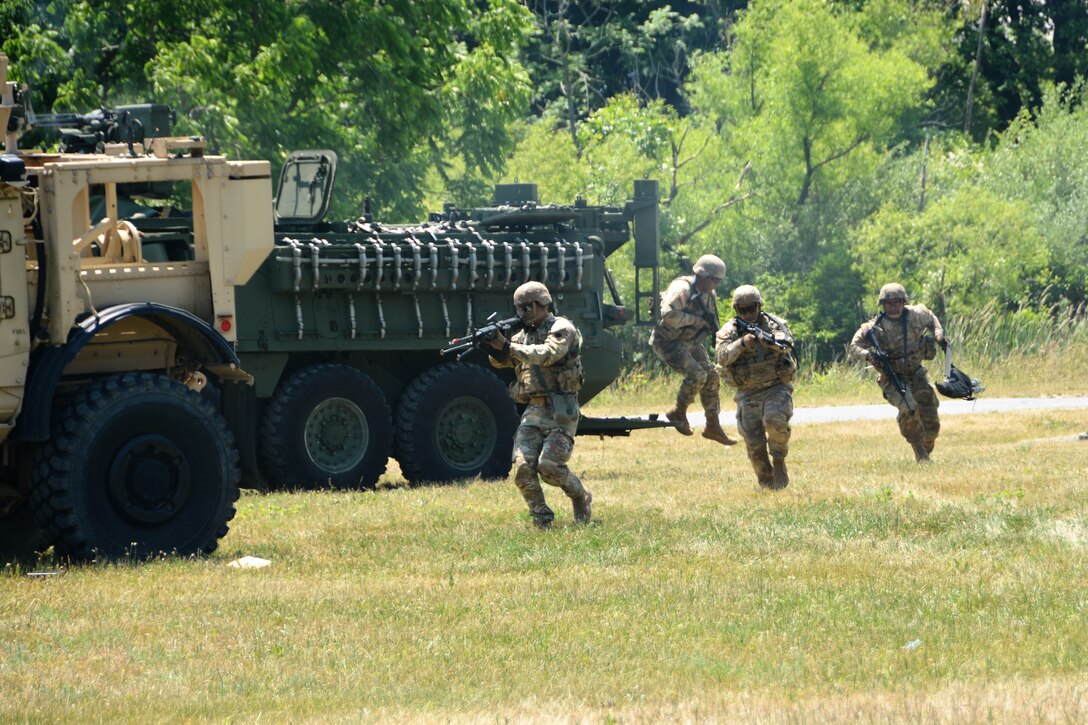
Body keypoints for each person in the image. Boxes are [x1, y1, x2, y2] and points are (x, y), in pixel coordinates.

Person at [488, 281, 592, 528]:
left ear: (542, 304)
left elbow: (547, 354)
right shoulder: (523, 335)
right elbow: (501, 362)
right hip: (533, 410)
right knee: (522, 468)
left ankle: (580, 495)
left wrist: (508, 347)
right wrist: (495, 349)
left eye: (527, 307)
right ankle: (541, 516)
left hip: (561, 410)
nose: (523, 312)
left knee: (549, 466)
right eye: (519, 308)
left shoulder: (561, 328)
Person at [848, 283, 947, 462]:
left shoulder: (917, 315)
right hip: (892, 378)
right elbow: (853, 347)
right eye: (888, 303)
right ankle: (919, 452)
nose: (893, 307)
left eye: (896, 303)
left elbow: (932, 318)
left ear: (903, 302)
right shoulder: (874, 327)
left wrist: (938, 334)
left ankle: (926, 445)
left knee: (930, 415)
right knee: (909, 408)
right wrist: (869, 355)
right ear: (883, 305)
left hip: (916, 373)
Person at [715, 285, 797, 489]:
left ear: (759, 306)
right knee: (754, 445)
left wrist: (768, 342)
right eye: (743, 310)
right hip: (747, 392)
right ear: (736, 310)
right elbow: (721, 357)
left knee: (775, 421)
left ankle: (778, 460)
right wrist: (741, 344)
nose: (748, 313)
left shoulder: (774, 324)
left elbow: (786, 343)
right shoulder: (728, 331)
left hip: (776, 387)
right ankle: (767, 483)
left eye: (751, 308)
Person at [650, 254, 737, 446]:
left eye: (718, 281)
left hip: (690, 342)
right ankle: (678, 412)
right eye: (715, 280)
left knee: (712, 375)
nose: (716, 285)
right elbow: (667, 315)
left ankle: (713, 426)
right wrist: (696, 321)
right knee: (697, 375)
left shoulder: (708, 295)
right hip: (668, 341)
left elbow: (712, 320)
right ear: (703, 275)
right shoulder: (682, 288)